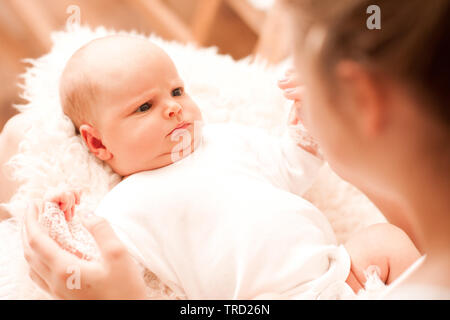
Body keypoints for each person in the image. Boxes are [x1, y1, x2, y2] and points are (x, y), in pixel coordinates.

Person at [15, 0, 449, 298]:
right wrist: (61, 216)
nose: (173, 109)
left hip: (338, 272)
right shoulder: (125, 205)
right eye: (145, 106)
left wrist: (305, 133)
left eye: (178, 91)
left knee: (384, 239)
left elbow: (289, 164)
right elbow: (95, 255)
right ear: (96, 142)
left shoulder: (226, 140)